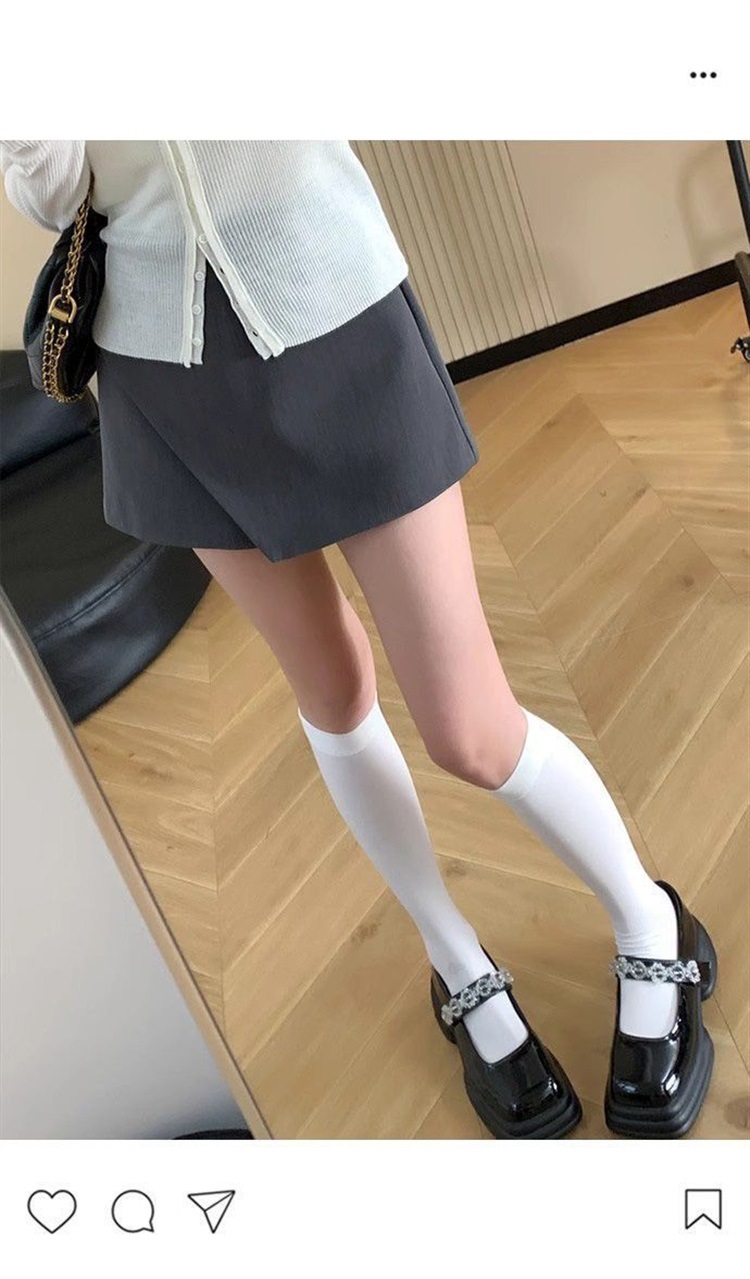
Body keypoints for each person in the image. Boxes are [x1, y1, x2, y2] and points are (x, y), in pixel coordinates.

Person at [1, 139, 718, 1139]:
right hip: (159, 363)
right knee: (331, 693)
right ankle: (454, 959)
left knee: (469, 728)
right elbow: (53, 192)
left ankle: (650, 917)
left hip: (330, 304)